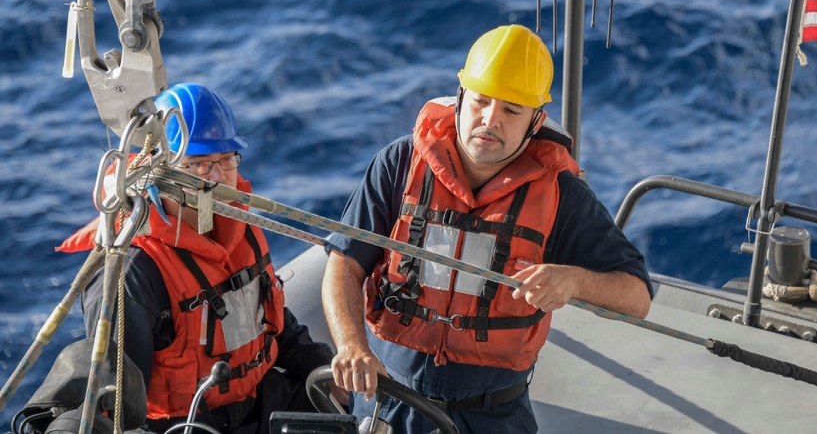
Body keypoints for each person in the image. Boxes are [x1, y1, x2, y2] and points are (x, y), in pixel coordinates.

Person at [322, 24, 653, 433]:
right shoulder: (399, 163)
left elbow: (637, 296)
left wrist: (573, 280)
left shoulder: (562, 195)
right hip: (389, 406)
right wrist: (352, 345)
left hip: (491, 417)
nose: (490, 120)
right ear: (461, 98)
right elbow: (344, 265)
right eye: (481, 101)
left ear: (535, 121)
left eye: (511, 111)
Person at [59, 82, 337, 434]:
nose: (219, 177)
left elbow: (274, 323)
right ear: (159, 172)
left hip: (258, 402)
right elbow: (121, 409)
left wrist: (324, 368)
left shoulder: (242, 224)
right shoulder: (134, 270)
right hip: (187, 423)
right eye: (199, 165)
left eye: (226, 160)